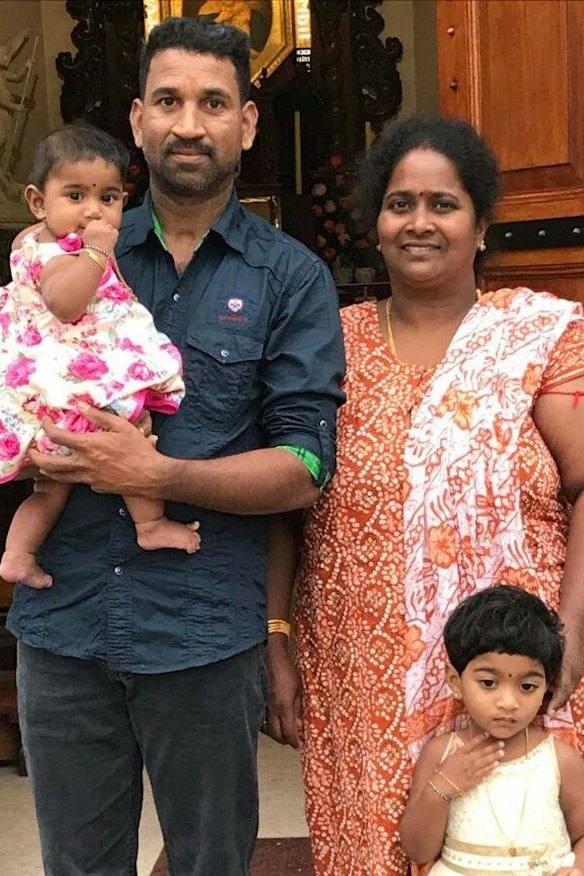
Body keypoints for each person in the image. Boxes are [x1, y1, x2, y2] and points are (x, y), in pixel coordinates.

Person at [6, 16, 345, 876]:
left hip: (201, 634)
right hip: (64, 627)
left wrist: (156, 472)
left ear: (248, 123)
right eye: (168, 100)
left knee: (210, 865)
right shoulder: (59, 265)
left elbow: (305, 467)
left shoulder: (291, 278)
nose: (189, 122)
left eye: (212, 102)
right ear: (136, 120)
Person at [265, 114, 584, 875]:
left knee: (517, 845)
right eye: (399, 203)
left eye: (443, 204)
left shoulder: (542, 336)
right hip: (358, 670)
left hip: (518, 666)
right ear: (374, 225)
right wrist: (275, 635)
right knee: (372, 849)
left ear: (481, 226)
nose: (419, 222)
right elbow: (285, 499)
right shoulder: (324, 343)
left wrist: (571, 636)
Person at [0, 124, 201, 589]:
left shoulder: (42, 240)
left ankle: (17, 552)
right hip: (67, 383)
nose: (93, 210)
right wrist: (94, 252)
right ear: (37, 201)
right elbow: (66, 303)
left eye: (109, 198)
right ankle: (149, 526)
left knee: (51, 487)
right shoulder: (54, 252)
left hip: (54, 386)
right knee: (131, 431)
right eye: (75, 195)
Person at [400, 585, 584, 876]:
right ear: (455, 681)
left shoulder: (559, 760)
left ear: (546, 687)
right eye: (488, 683)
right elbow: (417, 850)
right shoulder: (441, 753)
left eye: (527, 686)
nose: (508, 702)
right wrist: (443, 787)